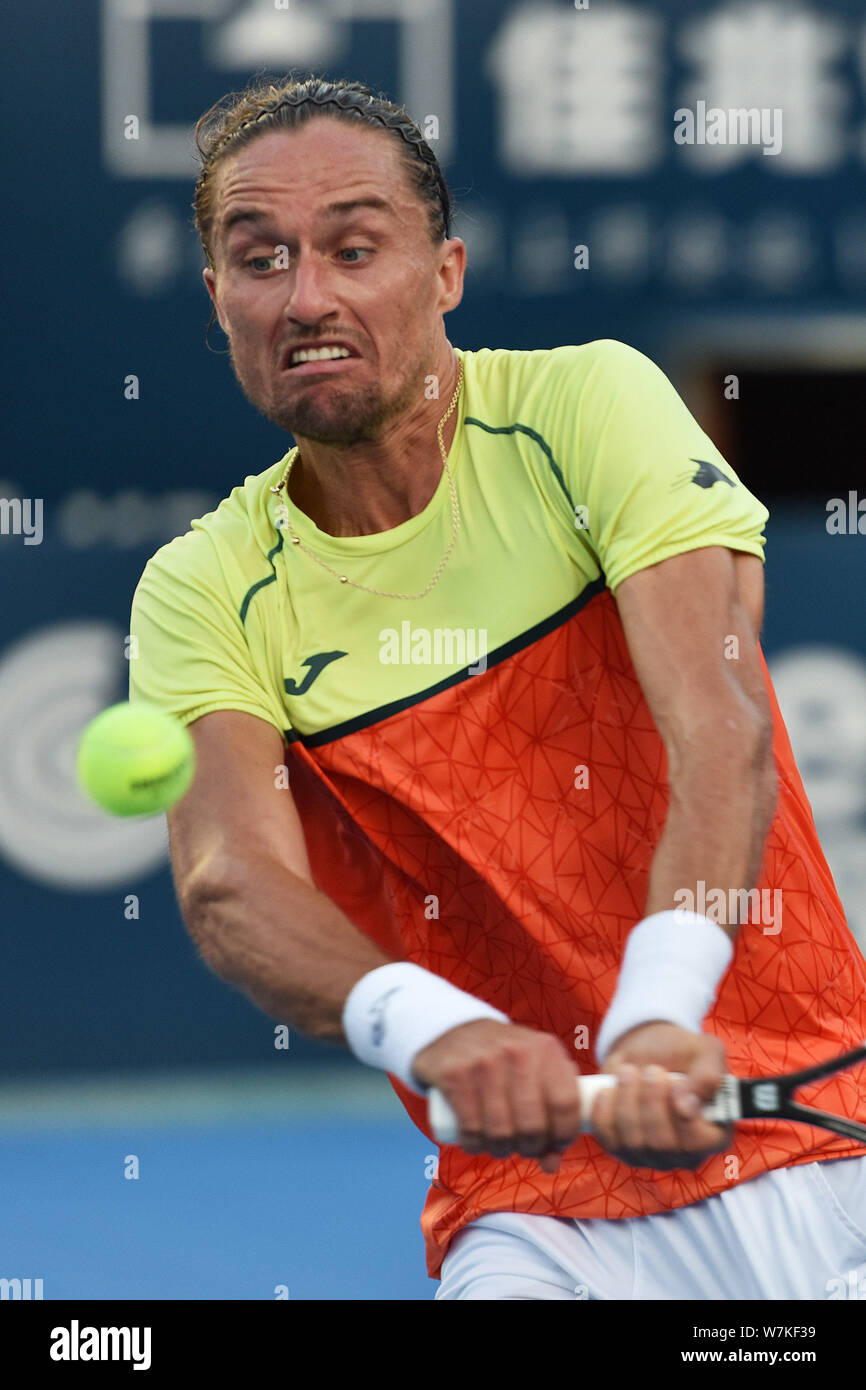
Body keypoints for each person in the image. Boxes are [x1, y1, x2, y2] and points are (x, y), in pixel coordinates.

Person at [129, 75, 866, 1300]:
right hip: (536, 1214)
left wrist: (655, 1012)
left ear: (445, 273)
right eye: (260, 261)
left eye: (354, 249)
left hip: (819, 1130)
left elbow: (716, 723)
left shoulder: (586, 405)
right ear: (219, 299)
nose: (306, 298)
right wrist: (432, 1027)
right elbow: (229, 881)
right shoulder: (201, 586)